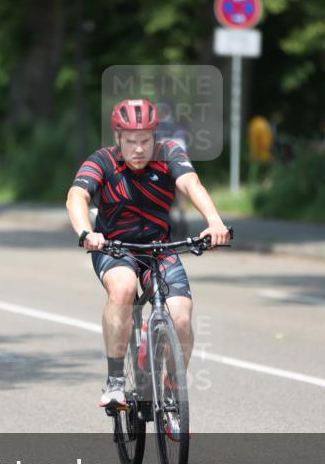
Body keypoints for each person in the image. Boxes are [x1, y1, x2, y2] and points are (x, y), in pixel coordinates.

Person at [66, 98, 232, 407]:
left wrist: (214, 221)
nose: (139, 149)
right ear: (118, 137)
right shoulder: (102, 160)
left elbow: (191, 184)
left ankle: (171, 391)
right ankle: (115, 382)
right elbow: (76, 195)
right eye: (131, 141)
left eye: (145, 140)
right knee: (123, 288)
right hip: (115, 248)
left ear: (155, 136)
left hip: (159, 249)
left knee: (181, 318)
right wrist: (87, 232)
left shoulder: (169, 153)